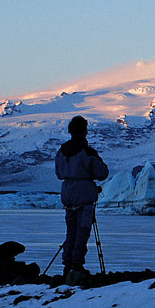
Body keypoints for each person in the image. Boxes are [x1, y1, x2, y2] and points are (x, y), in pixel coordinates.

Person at [55, 115, 109, 276]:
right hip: (84, 194)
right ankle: (76, 264)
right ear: (85, 132)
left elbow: (58, 173)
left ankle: (67, 264)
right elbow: (102, 173)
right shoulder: (87, 152)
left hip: (67, 192)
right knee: (83, 230)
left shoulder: (61, 152)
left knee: (71, 231)